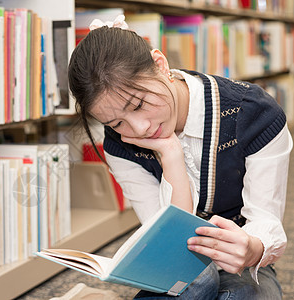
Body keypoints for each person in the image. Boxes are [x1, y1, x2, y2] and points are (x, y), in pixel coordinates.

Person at [68, 15, 292, 299]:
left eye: (138, 104)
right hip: (178, 270)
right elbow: (169, 245)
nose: (140, 128)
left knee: (245, 294)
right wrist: (171, 154)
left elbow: (265, 221)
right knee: (197, 280)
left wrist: (252, 248)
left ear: (161, 65)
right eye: (116, 123)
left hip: (240, 264)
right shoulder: (120, 144)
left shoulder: (254, 114)